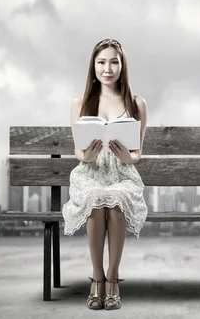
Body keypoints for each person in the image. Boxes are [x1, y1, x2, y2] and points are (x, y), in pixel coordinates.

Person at [62, 38, 148, 310]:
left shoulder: (136, 103)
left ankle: (112, 278)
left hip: (121, 174)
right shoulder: (82, 101)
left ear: (122, 65)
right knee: (97, 199)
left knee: (117, 200)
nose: (107, 68)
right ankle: (96, 278)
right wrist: (86, 155)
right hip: (91, 172)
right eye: (101, 62)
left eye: (113, 62)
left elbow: (137, 153)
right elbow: (79, 151)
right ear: (93, 66)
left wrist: (128, 157)